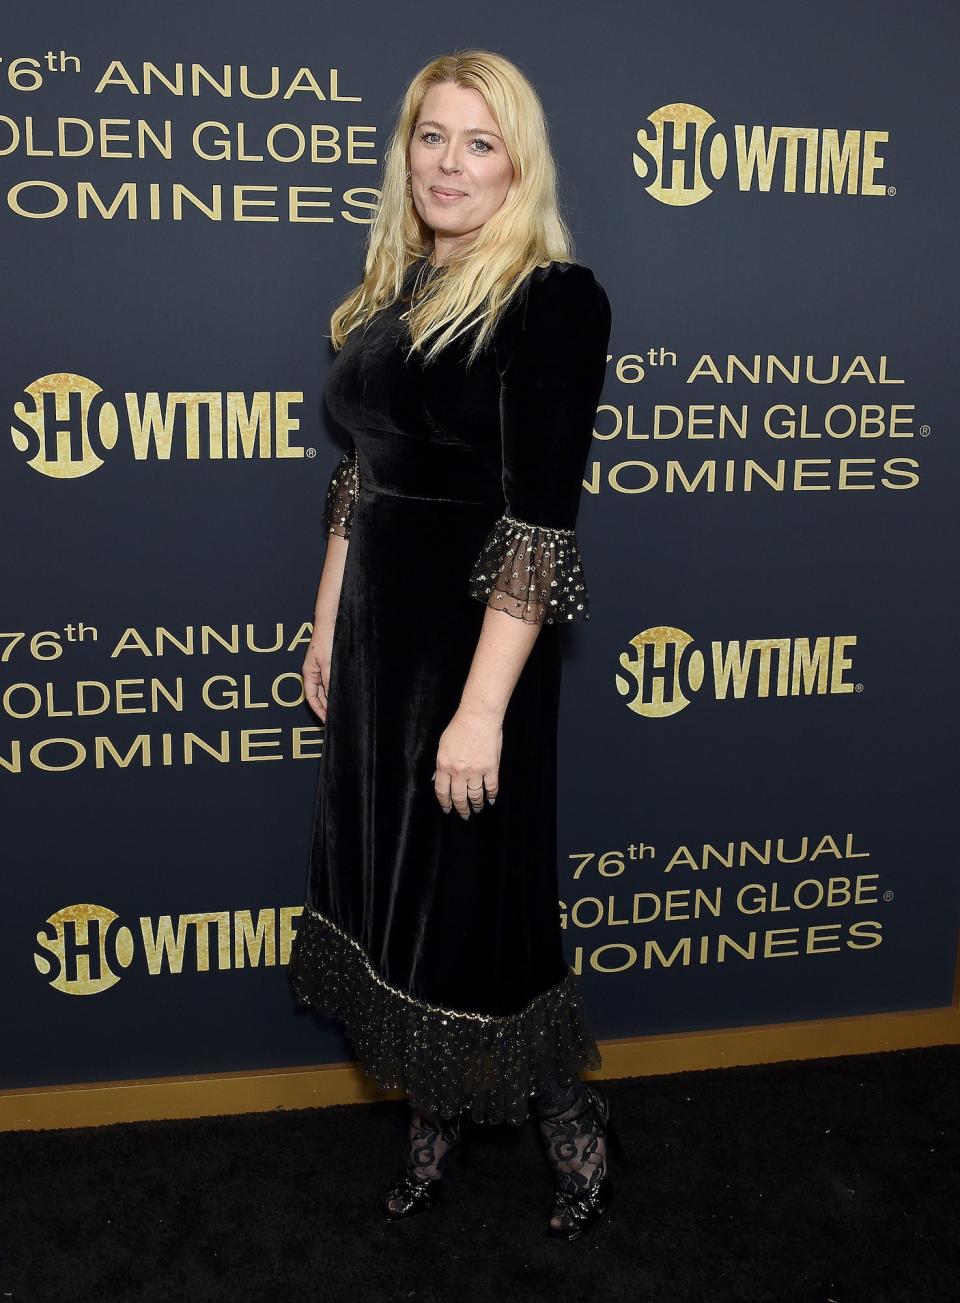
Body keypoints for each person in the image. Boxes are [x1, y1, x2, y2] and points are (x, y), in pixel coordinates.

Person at [287, 48, 624, 1242]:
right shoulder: (391, 292)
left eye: (480, 142)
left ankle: (575, 1134)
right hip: (377, 656)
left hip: (472, 656)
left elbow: (538, 527)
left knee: (480, 915)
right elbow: (358, 482)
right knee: (395, 910)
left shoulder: (550, 299)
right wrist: (327, 629)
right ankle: (433, 1129)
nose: (450, 162)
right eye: (432, 135)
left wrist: (480, 712)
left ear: (518, 163)